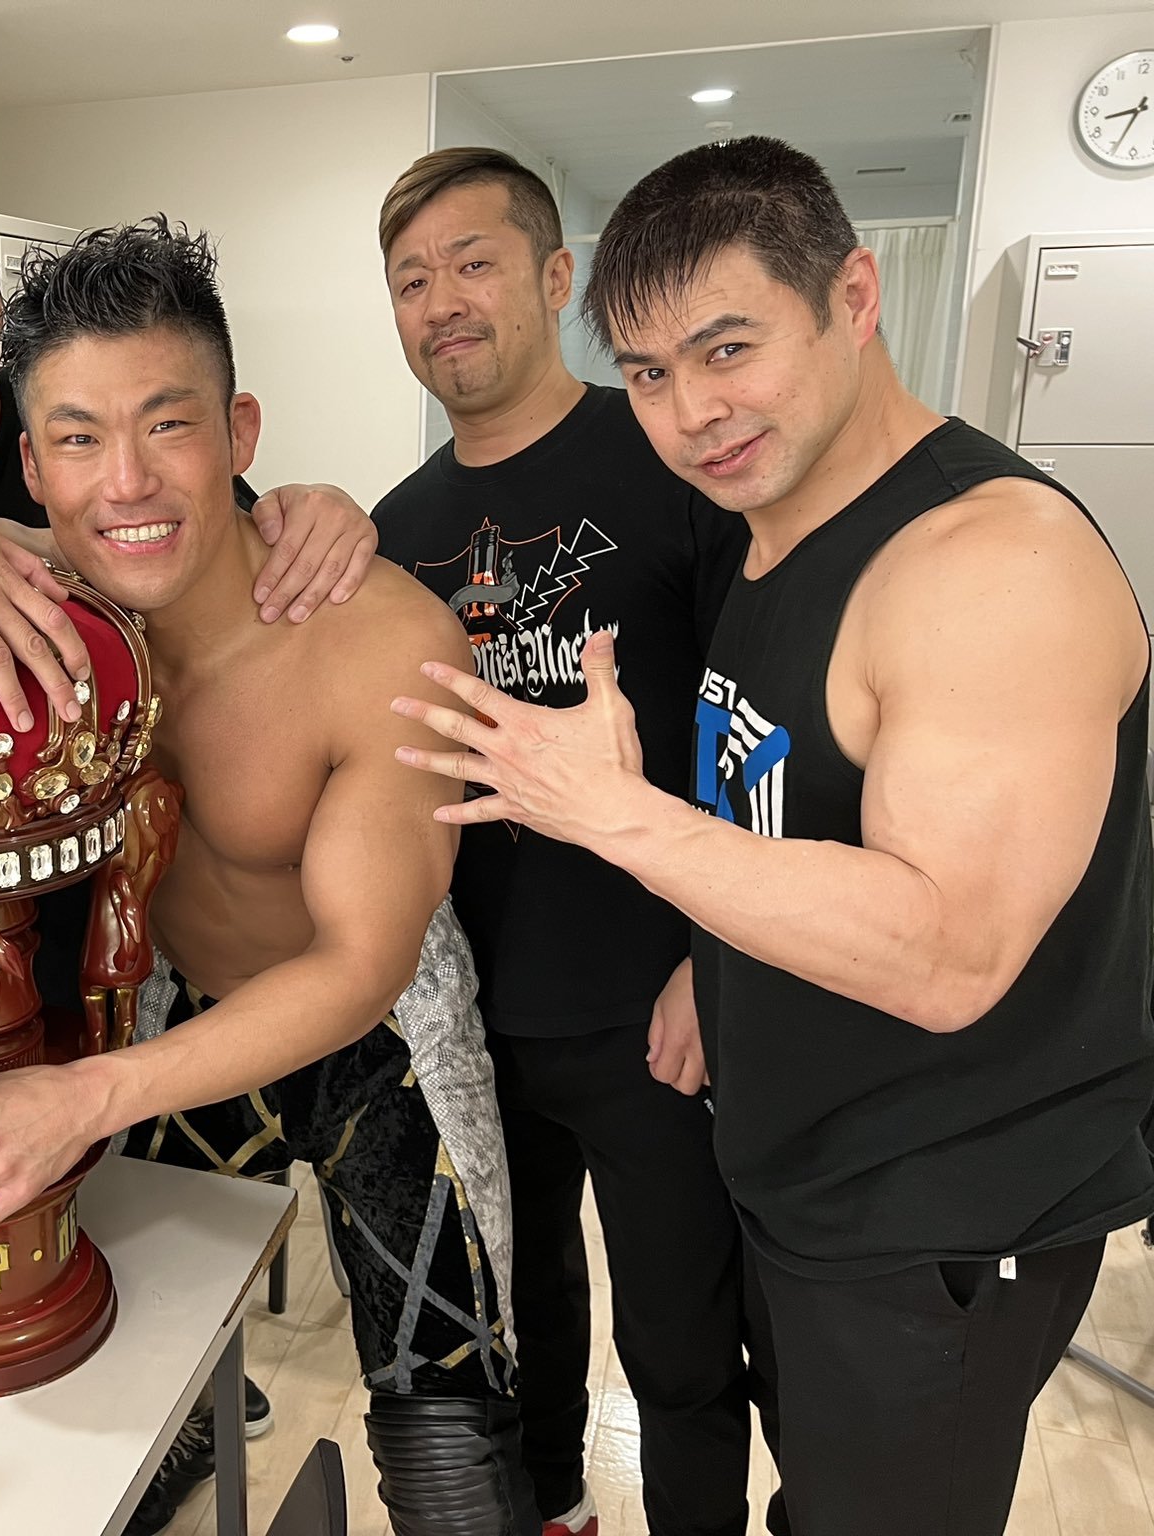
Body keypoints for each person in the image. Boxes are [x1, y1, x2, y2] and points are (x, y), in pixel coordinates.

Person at [0, 215, 538, 1535]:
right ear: (31, 464)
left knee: (449, 1433)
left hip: (385, 1044)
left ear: (241, 435)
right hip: (174, 1015)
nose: (124, 481)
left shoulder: (381, 641)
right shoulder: (32, 580)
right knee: (149, 1394)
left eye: (167, 425)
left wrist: (84, 1095)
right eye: (77, 437)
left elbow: (360, 964)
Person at [393, 136, 1154, 1536]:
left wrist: (615, 818)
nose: (694, 410)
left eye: (729, 347)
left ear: (855, 297)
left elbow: (950, 952)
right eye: (651, 372)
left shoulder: (992, 561)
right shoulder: (777, 532)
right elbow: (789, 820)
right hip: (805, 1167)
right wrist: (714, 966)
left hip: (937, 1216)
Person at [366, 147, 761, 1536]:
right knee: (521, 1327)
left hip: (654, 1011)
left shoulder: (672, 469)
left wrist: (712, 963)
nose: (442, 303)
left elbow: (754, 743)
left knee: (681, 1353)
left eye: (473, 264)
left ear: (554, 279)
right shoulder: (395, 533)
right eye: (412, 280)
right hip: (476, 1020)